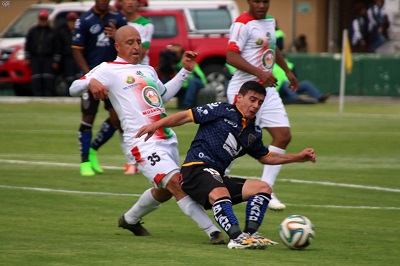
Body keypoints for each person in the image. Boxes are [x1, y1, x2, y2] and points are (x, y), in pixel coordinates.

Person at [69, 25, 225, 245]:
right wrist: (90, 81)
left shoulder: (147, 70)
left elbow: (162, 96)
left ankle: (130, 219)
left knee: (165, 191)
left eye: (138, 42)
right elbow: (73, 88)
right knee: (176, 184)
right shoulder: (107, 69)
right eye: (129, 42)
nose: (135, 47)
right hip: (142, 143)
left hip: (167, 137)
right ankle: (213, 232)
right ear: (117, 46)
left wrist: (185, 71)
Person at [136, 80, 317, 249]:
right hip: (195, 170)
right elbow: (185, 116)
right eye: (252, 100)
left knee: (263, 188)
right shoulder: (221, 109)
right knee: (220, 191)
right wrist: (156, 125)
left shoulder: (253, 132)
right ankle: (236, 237)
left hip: (216, 177)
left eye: (260, 103)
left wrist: (298, 157)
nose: (255, 106)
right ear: (239, 97)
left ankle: (251, 233)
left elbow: (267, 157)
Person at [226, 0, 298, 211]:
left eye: (265, 1)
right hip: (244, 90)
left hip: (267, 89)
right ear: (249, 1)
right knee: (236, 139)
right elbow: (231, 56)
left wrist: (287, 71)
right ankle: (215, 178)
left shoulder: (269, 21)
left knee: (283, 136)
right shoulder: (242, 23)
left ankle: (267, 189)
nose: (261, 5)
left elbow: (272, 49)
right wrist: (259, 73)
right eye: (257, 1)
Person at [71, 0, 127, 176]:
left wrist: (117, 35)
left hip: (114, 78)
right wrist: (90, 76)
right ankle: (85, 161)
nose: (103, 1)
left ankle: (94, 149)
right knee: (88, 117)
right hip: (92, 77)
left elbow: (128, 43)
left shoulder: (118, 18)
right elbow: (77, 50)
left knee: (117, 120)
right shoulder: (85, 20)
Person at [158, 44, 207, 109]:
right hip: (183, 85)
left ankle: (186, 105)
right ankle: (157, 103)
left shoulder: (187, 60)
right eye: (173, 52)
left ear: (181, 53)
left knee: (193, 81)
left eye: (177, 52)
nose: (175, 54)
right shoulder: (170, 62)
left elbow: (198, 76)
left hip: (196, 82)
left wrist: (177, 68)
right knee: (165, 79)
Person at [25, 9, 60, 96]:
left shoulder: (53, 32)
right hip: (35, 58)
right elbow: (28, 45)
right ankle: (37, 95)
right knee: (36, 78)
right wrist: (27, 58)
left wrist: (55, 61)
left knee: (48, 78)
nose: (43, 21)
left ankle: (48, 95)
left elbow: (57, 47)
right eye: (41, 19)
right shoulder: (32, 31)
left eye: (44, 19)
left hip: (48, 58)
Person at [55, 12, 81, 94]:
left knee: (79, 76)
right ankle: (69, 93)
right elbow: (59, 47)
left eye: (74, 21)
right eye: (70, 21)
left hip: (79, 58)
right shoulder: (62, 32)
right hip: (67, 58)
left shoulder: (81, 32)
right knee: (68, 77)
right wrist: (57, 60)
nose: (72, 23)